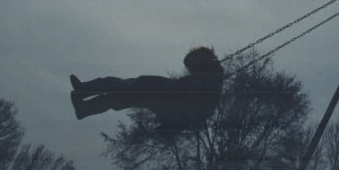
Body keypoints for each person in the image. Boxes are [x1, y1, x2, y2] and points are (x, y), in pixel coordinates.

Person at [70, 46, 225, 134]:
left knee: (119, 88)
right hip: (158, 95)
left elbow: (199, 112)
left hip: (158, 94)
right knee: (118, 94)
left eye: (192, 67)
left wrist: (172, 126)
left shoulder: (209, 82)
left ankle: (84, 95)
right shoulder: (207, 81)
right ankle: (85, 104)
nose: (190, 71)